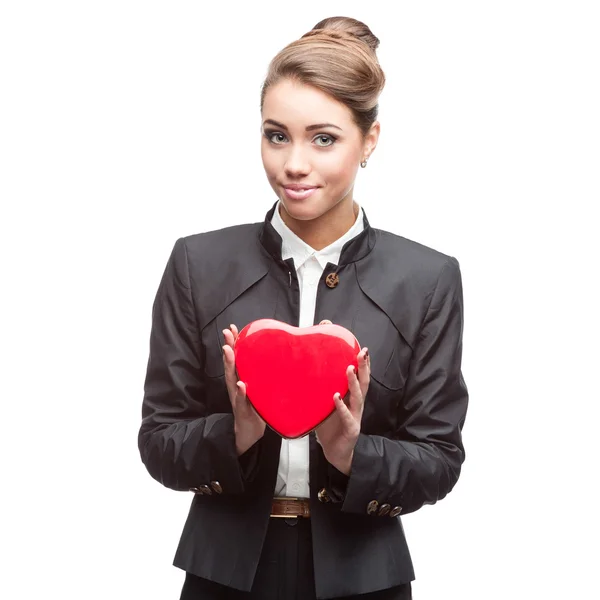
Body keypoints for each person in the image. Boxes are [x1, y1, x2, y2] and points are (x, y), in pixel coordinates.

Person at [138, 15, 468, 600]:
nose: (293, 164)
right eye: (276, 134)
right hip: (223, 576)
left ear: (369, 140)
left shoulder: (428, 279)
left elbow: (439, 457)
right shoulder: (197, 263)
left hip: (366, 577)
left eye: (323, 138)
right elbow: (160, 440)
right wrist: (236, 433)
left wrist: (352, 452)